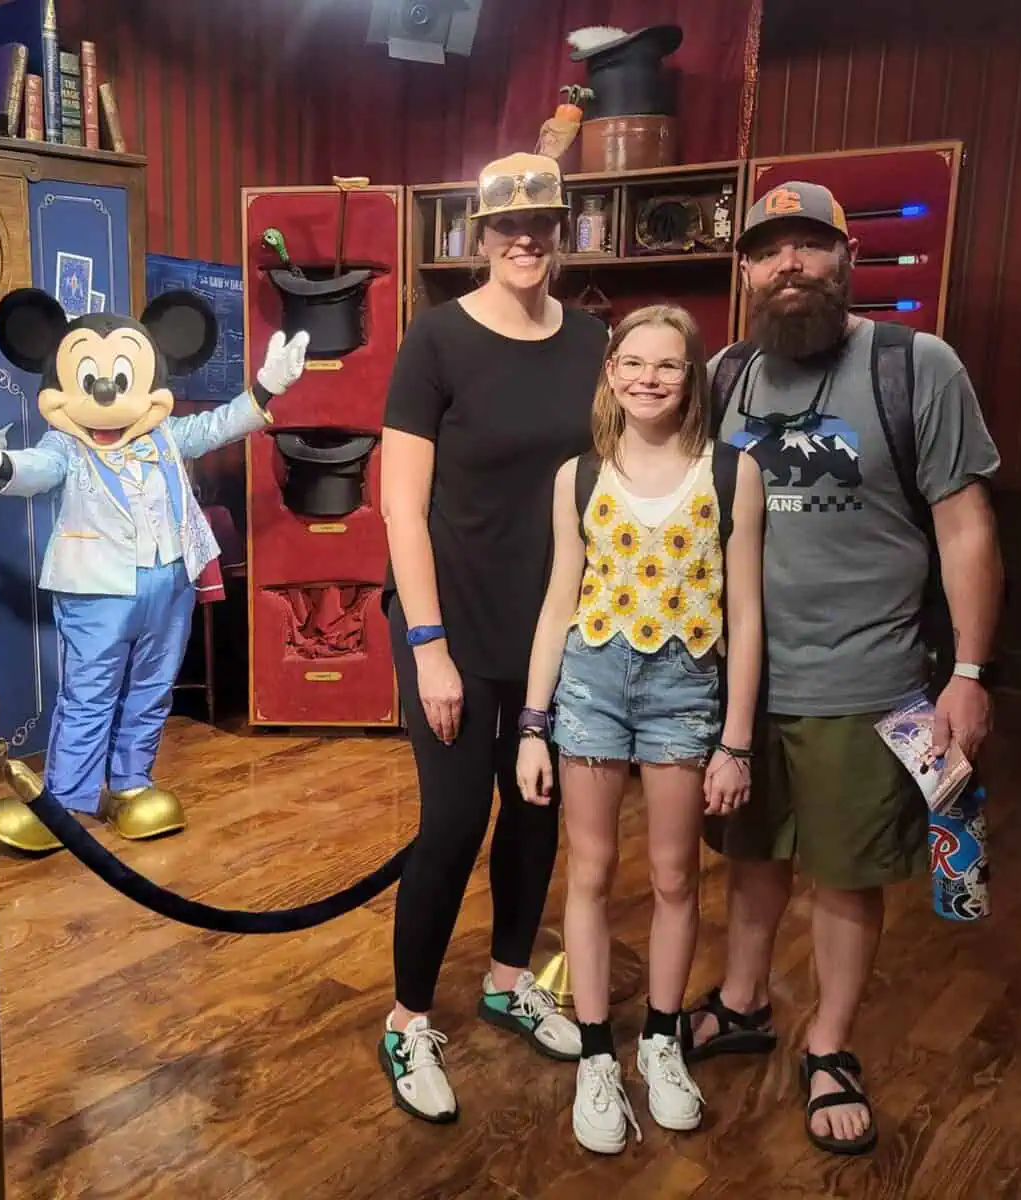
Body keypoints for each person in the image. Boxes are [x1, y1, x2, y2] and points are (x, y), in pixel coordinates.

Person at [686, 181, 1004, 1156]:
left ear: (845, 259)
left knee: (843, 875)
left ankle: (828, 1046)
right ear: (743, 269)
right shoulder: (725, 376)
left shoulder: (916, 367)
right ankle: (741, 1003)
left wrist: (972, 672)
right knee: (749, 859)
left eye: (808, 245)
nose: (789, 264)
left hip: (869, 684)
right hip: (737, 689)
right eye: (768, 249)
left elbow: (964, 526)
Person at [375, 151, 607, 1124]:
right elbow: (399, 502)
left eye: (542, 222)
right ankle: (406, 1018)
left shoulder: (593, 338)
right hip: (452, 621)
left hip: (558, 621)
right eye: (506, 224)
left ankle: (510, 977)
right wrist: (427, 645)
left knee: (536, 808)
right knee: (454, 818)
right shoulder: (434, 340)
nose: (524, 238)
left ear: (562, 231)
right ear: (478, 234)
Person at [515, 305, 765, 1153]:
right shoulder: (577, 476)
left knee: (673, 876)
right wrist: (532, 722)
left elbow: (748, 612)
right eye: (632, 362)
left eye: (668, 365)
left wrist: (736, 738)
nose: (648, 378)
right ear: (611, 372)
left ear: (692, 376)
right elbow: (559, 601)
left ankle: (659, 1039)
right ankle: (596, 1052)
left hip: (685, 688)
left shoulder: (732, 475)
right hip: (591, 682)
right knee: (588, 869)